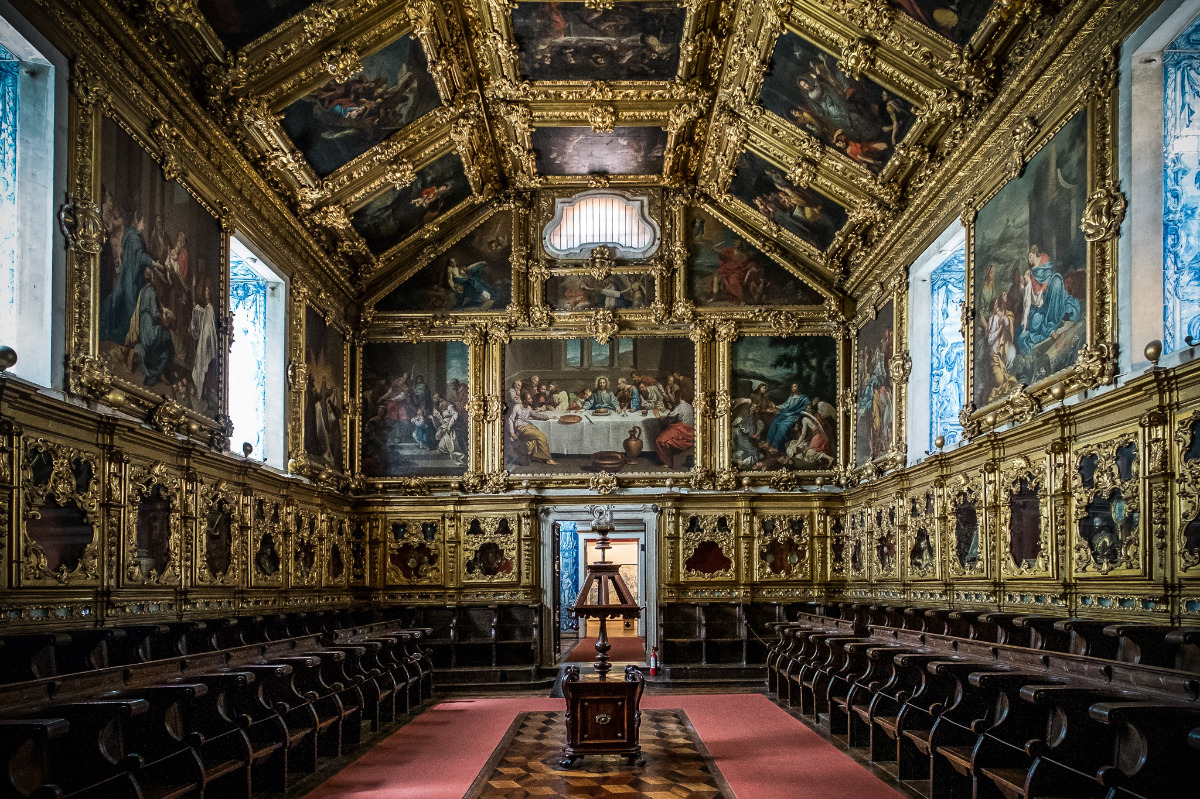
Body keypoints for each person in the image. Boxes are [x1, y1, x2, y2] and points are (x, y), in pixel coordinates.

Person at [1017, 244, 1081, 351]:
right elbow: (1028, 302)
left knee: (1056, 280)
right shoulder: (1031, 274)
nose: (1029, 260)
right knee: (1035, 322)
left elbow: (1047, 279)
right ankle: (1051, 327)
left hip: (1048, 293)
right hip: (1039, 306)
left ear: (1033, 253)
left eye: (1030, 257)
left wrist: (1041, 292)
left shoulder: (1044, 259)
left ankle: (1054, 320)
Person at [126, 265, 175, 387]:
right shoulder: (152, 292)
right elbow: (154, 314)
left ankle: (141, 352)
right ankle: (159, 371)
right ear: (152, 277)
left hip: (143, 326)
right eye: (154, 275)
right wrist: (165, 323)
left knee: (161, 338)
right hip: (150, 329)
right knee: (167, 339)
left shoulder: (143, 290)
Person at [189, 281, 218, 410]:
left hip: (205, 346)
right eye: (204, 291)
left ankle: (202, 395)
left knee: (203, 368)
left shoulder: (210, 309)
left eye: (208, 291)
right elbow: (200, 323)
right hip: (202, 344)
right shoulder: (205, 309)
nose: (206, 293)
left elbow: (208, 331)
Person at [507, 392, 556, 465]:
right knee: (541, 436)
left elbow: (536, 415)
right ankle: (547, 459)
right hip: (520, 429)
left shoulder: (529, 408)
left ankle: (535, 456)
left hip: (529, 426)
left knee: (534, 440)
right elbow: (510, 419)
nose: (531, 400)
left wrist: (548, 417)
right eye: (529, 398)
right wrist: (511, 432)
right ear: (524, 400)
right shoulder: (516, 407)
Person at [655, 392, 695, 467]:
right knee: (667, 438)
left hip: (681, 430)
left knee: (660, 440)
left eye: (674, 396)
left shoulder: (679, 407)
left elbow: (667, 419)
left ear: (678, 397)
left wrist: (659, 417)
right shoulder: (689, 406)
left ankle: (667, 462)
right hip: (690, 431)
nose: (673, 398)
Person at [766, 384, 811, 450]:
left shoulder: (803, 397)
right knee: (775, 421)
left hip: (795, 415)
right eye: (792, 386)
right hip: (786, 413)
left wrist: (803, 409)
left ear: (799, 387)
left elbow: (808, 405)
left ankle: (774, 446)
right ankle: (768, 442)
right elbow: (785, 405)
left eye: (795, 386)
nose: (793, 388)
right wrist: (776, 407)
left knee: (783, 425)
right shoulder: (791, 397)